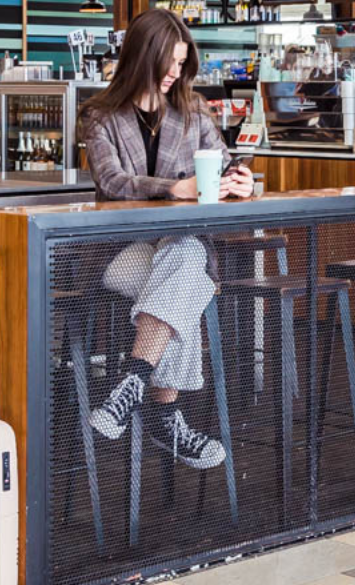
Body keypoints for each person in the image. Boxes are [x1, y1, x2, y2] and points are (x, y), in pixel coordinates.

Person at [78, 9, 254, 470]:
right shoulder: (100, 115)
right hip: (120, 249)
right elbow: (112, 181)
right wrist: (173, 188)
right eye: (170, 62)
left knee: (184, 260)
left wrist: (242, 179)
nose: (176, 71)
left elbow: (226, 162)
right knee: (189, 282)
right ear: (143, 56)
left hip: (176, 246)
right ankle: (165, 418)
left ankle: (131, 385)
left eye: (181, 62)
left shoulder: (192, 111)